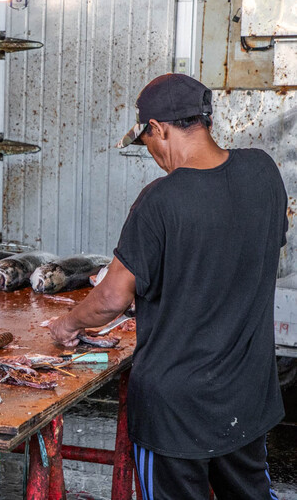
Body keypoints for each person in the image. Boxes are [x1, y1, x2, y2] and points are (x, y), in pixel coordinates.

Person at [49, 73, 286, 499]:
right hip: (247, 396)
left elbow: (110, 299)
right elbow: (242, 258)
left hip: (176, 410)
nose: (154, 154)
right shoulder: (263, 172)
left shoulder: (160, 200)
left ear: (158, 129)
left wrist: (67, 325)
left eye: (148, 142)